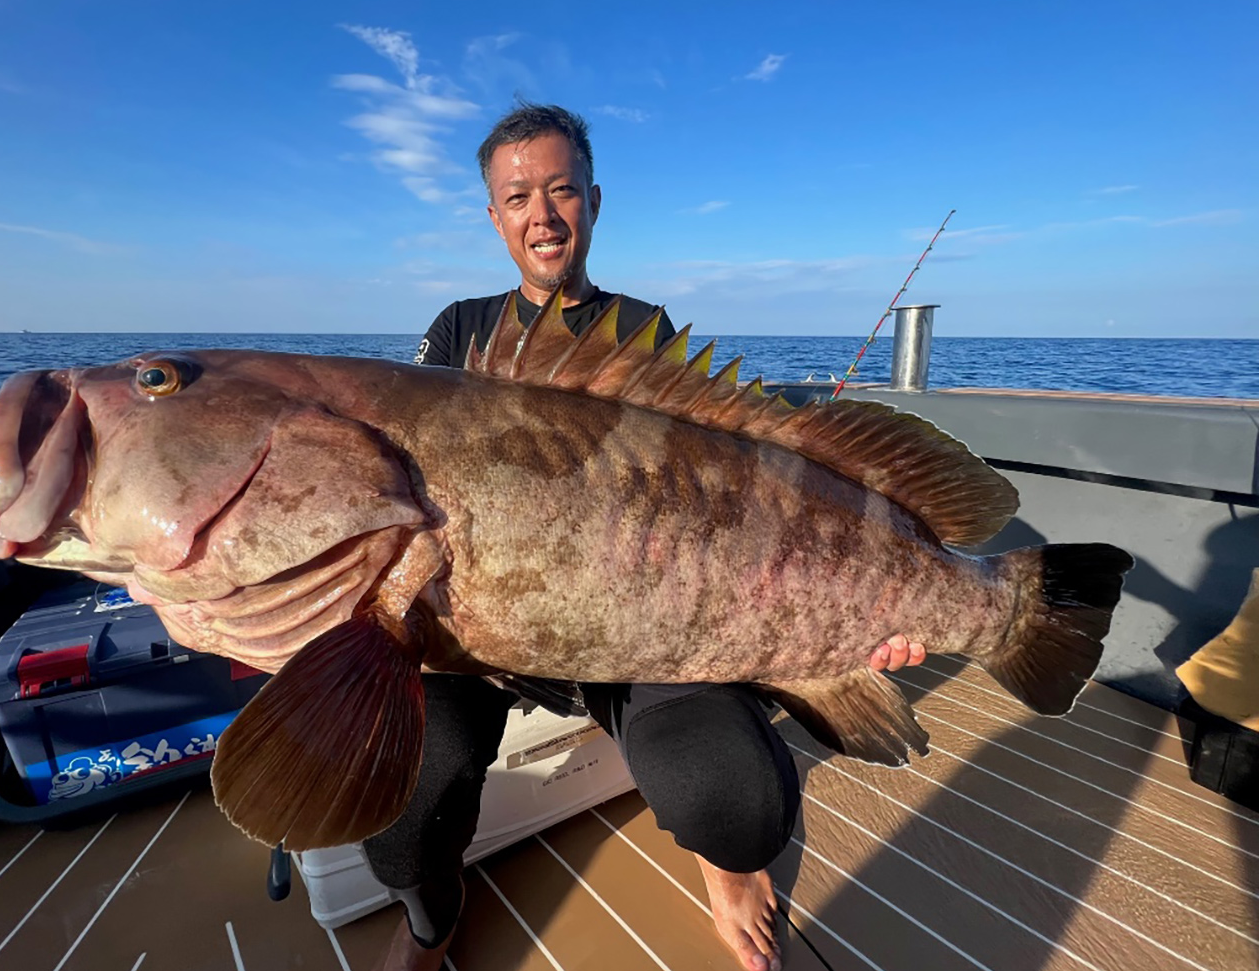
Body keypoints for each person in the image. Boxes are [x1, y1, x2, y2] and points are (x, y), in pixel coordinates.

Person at [369, 104, 927, 971]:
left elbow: (705, 495)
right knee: (400, 823)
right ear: (493, 216)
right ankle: (432, 922)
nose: (542, 216)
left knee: (741, 804)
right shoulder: (458, 332)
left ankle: (727, 871)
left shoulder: (644, 331)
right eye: (518, 197)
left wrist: (849, 613)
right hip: (473, 624)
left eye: (561, 191)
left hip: (629, 625)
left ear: (593, 200)